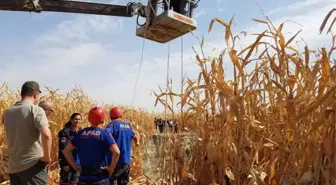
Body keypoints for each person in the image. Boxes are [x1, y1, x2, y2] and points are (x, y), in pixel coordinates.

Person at [1, 81, 52, 185]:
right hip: (33, 165)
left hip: (14, 166)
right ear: (36, 94)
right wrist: (47, 158)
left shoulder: (7, 112)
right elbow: (46, 135)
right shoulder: (35, 110)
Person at [62, 107, 120, 185]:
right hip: (100, 178)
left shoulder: (81, 133)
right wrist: (111, 169)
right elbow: (117, 152)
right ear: (102, 118)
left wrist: (75, 166)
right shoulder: (104, 134)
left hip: (83, 177)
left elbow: (66, 151)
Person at [106, 107, 139, 185]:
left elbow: (106, 134)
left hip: (116, 161)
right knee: (123, 182)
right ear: (121, 115)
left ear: (111, 116)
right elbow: (135, 137)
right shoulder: (127, 126)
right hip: (126, 161)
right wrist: (137, 142)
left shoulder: (112, 125)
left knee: (110, 181)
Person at [57, 113, 82, 184]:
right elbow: (62, 148)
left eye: (79, 119)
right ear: (71, 120)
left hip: (77, 163)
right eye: (76, 119)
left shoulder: (81, 132)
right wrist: (64, 164)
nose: (78, 121)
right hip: (67, 162)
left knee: (75, 182)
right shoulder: (65, 132)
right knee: (65, 182)